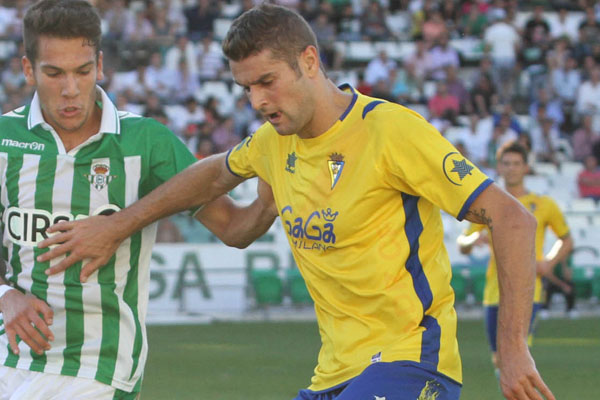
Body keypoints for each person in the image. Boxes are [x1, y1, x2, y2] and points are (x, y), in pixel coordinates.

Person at [38, 4, 555, 400]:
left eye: (268, 82)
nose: (259, 101)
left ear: (309, 61)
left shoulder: (390, 131)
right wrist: (119, 225)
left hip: (412, 360)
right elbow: (221, 195)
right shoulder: (273, 142)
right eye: (246, 89)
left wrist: (511, 350)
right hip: (333, 373)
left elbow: (512, 219)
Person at [0, 1, 275, 399]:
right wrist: (6, 295)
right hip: (8, 359)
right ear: (28, 69)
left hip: (96, 369)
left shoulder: (146, 143)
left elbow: (234, 227)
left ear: (100, 65)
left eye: (82, 71)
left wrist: (272, 196)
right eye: (54, 73)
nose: (71, 89)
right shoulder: (5, 139)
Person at [458, 141, 573, 381]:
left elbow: (566, 239)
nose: (511, 168)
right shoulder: (489, 202)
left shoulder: (543, 204)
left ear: (526, 167)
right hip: (493, 291)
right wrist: (473, 240)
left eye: (516, 164)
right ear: (499, 167)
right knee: (500, 362)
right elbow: (463, 244)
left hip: (527, 291)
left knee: (518, 359)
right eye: (506, 163)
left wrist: (548, 263)